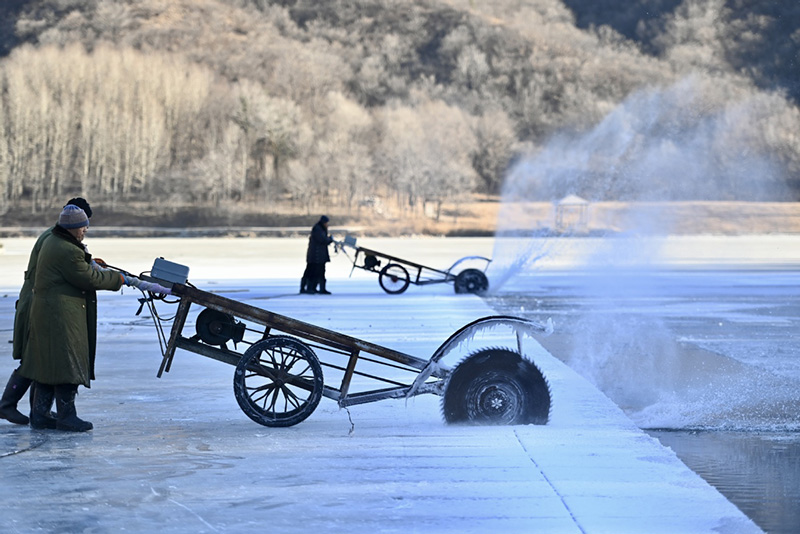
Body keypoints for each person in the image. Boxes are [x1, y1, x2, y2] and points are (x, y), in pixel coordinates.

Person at [17, 205, 126, 432]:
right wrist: (118, 280)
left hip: (48, 312)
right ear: (72, 228)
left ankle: (40, 414)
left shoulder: (53, 240)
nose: (85, 230)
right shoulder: (67, 250)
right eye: (82, 226)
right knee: (68, 363)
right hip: (61, 316)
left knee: (48, 365)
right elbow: (89, 279)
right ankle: (67, 416)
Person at [1, 198, 93, 426]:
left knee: (39, 360)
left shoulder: (51, 235)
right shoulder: (54, 240)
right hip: (38, 302)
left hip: (36, 299)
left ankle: (33, 412)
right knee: (35, 361)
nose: (85, 229)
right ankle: (8, 406)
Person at [300, 215, 334, 295]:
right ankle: (309, 288)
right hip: (315, 256)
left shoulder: (320, 229)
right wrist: (330, 239)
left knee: (320, 272)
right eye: (326, 223)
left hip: (319, 256)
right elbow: (322, 240)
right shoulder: (317, 229)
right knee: (311, 272)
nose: (327, 224)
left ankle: (318, 288)